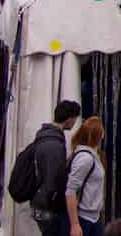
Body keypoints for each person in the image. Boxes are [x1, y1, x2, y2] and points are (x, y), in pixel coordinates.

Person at [30, 100, 82, 234]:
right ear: (70, 119)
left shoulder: (44, 136)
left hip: (38, 203)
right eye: (75, 119)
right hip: (47, 206)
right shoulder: (55, 145)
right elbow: (53, 180)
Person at [65, 116, 107, 236]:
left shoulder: (93, 155)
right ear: (99, 135)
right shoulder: (85, 159)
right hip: (84, 218)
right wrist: (75, 224)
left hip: (94, 217)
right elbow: (70, 191)